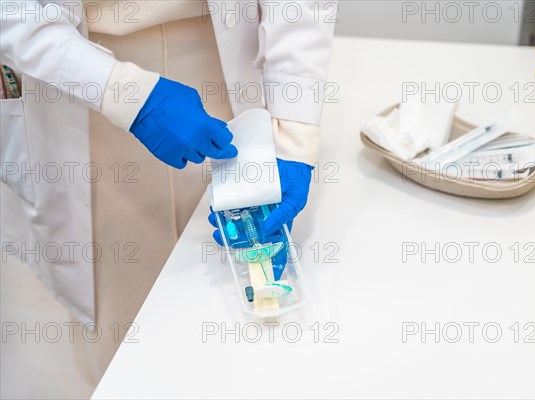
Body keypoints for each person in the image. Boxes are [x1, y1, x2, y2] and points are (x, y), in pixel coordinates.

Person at [1, 0, 335, 383]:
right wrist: (126, 95)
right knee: (128, 340)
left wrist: (293, 131)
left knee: (251, 344)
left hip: (227, 62)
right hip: (82, 77)